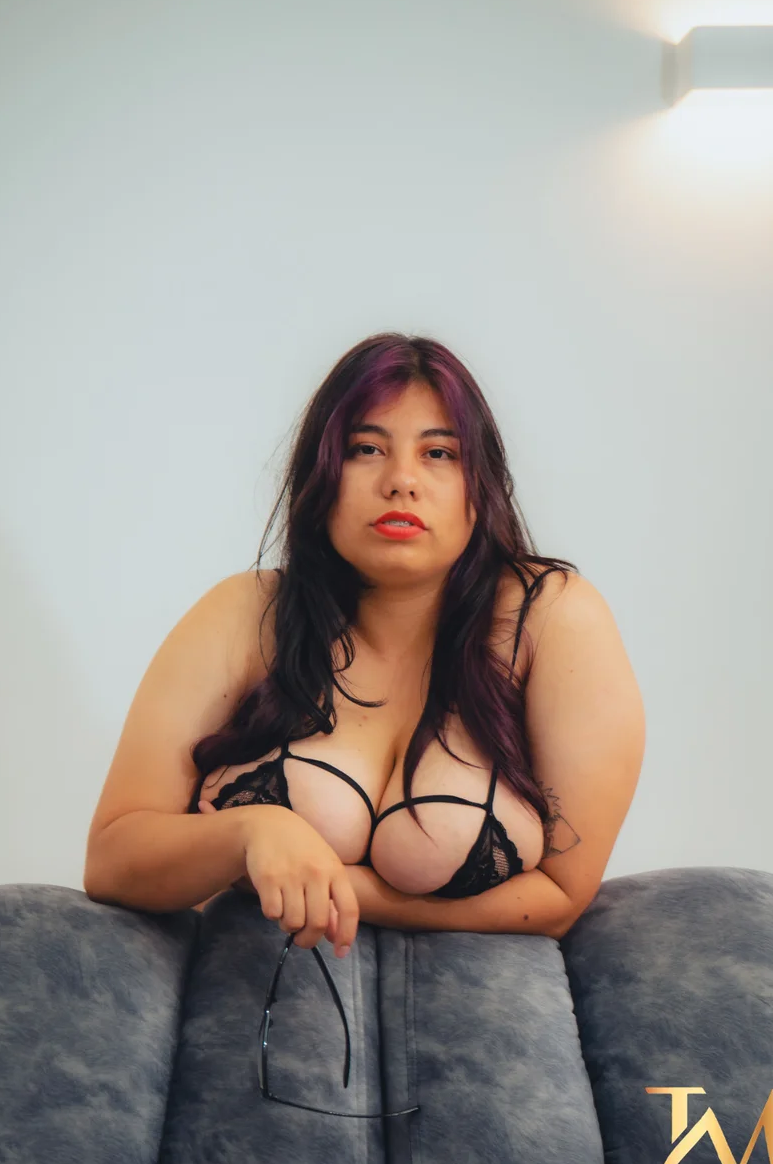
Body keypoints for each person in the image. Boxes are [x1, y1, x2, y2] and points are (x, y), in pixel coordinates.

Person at [83, 332, 646, 961]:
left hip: (479, 1017)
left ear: (481, 486)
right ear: (321, 475)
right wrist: (252, 828)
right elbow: (111, 860)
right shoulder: (246, 613)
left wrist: (342, 889)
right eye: (366, 449)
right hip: (252, 1006)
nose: (401, 480)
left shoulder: (551, 618)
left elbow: (563, 896)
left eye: (439, 453)